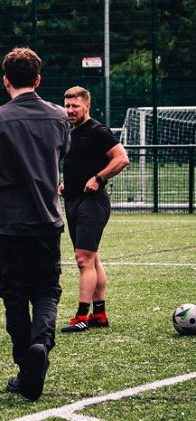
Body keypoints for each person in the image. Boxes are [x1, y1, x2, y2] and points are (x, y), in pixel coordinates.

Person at [0, 48, 70, 401]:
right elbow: (61, 154)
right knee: (46, 290)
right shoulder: (59, 117)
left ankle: (27, 364)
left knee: (13, 296)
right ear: (38, 79)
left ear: (6, 80)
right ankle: (40, 345)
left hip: (9, 224)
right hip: (47, 220)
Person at [60, 86, 130, 333]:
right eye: (67, 106)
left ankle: (81, 316)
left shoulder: (98, 131)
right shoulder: (70, 131)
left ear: (86, 105)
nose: (70, 110)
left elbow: (121, 158)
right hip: (73, 200)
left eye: (75, 106)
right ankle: (99, 314)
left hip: (93, 202)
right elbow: (79, 163)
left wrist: (98, 178)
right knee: (92, 258)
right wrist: (67, 183)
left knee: (83, 260)